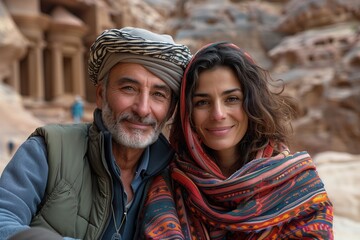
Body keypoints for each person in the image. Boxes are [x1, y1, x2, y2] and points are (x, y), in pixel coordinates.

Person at [0, 27, 192, 240]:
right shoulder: (49, 150)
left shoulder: (178, 175)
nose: (143, 109)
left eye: (158, 95)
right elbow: (3, 219)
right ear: (101, 95)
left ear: (171, 109)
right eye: (129, 88)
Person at [166, 42, 334, 239]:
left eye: (232, 99)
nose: (218, 114)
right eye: (202, 102)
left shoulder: (299, 184)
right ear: (188, 114)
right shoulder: (169, 184)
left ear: (251, 104)